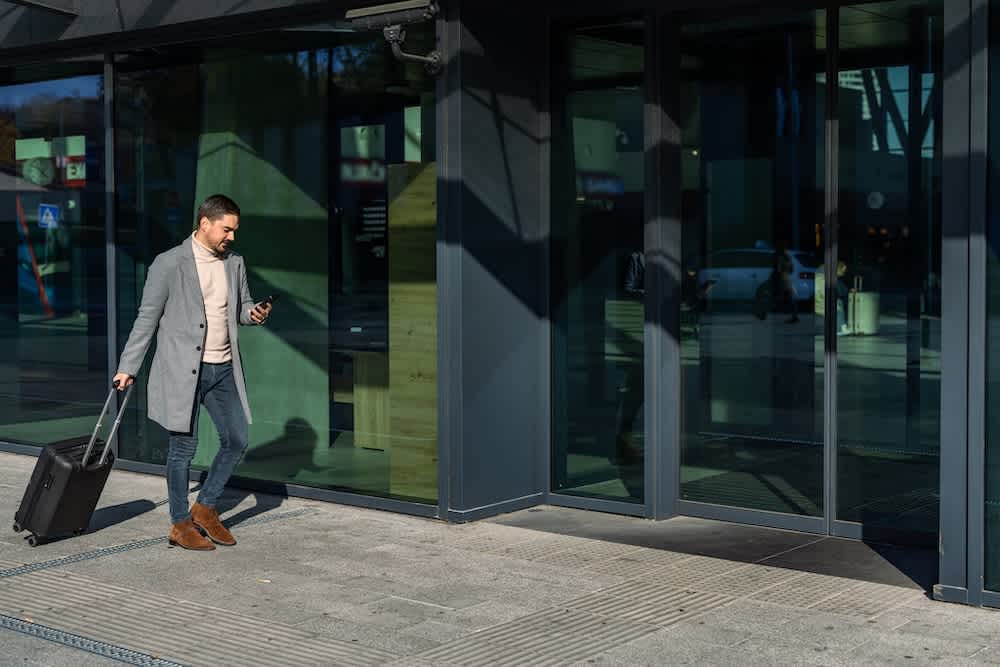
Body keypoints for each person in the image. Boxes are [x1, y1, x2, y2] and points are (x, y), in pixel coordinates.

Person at [113, 194, 273, 551]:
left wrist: (253, 314)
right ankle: (180, 523)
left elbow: (242, 307)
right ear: (205, 223)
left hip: (224, 368)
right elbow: (146, 319)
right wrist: (127, 366)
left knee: (237, 439)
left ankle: (206, 507)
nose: (231, 237)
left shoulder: (235, 263)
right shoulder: (169, 263)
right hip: (183, 372)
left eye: (234, 230)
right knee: (183, 448)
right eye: (226, 229)